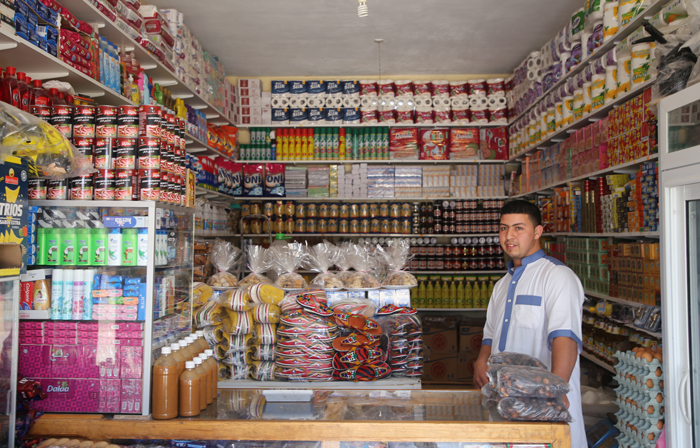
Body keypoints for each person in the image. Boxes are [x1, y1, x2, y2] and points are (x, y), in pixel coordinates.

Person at [474, 200, 586, 448]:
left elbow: (565, 338)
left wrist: (554, 394)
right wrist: (481, 361)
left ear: (537, 232)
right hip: (506, 400)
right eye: (503, 228)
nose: (509, 236)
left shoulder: (558, 276)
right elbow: (490, 333)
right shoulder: (502, 284)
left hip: (543, 403)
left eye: (518, 228)